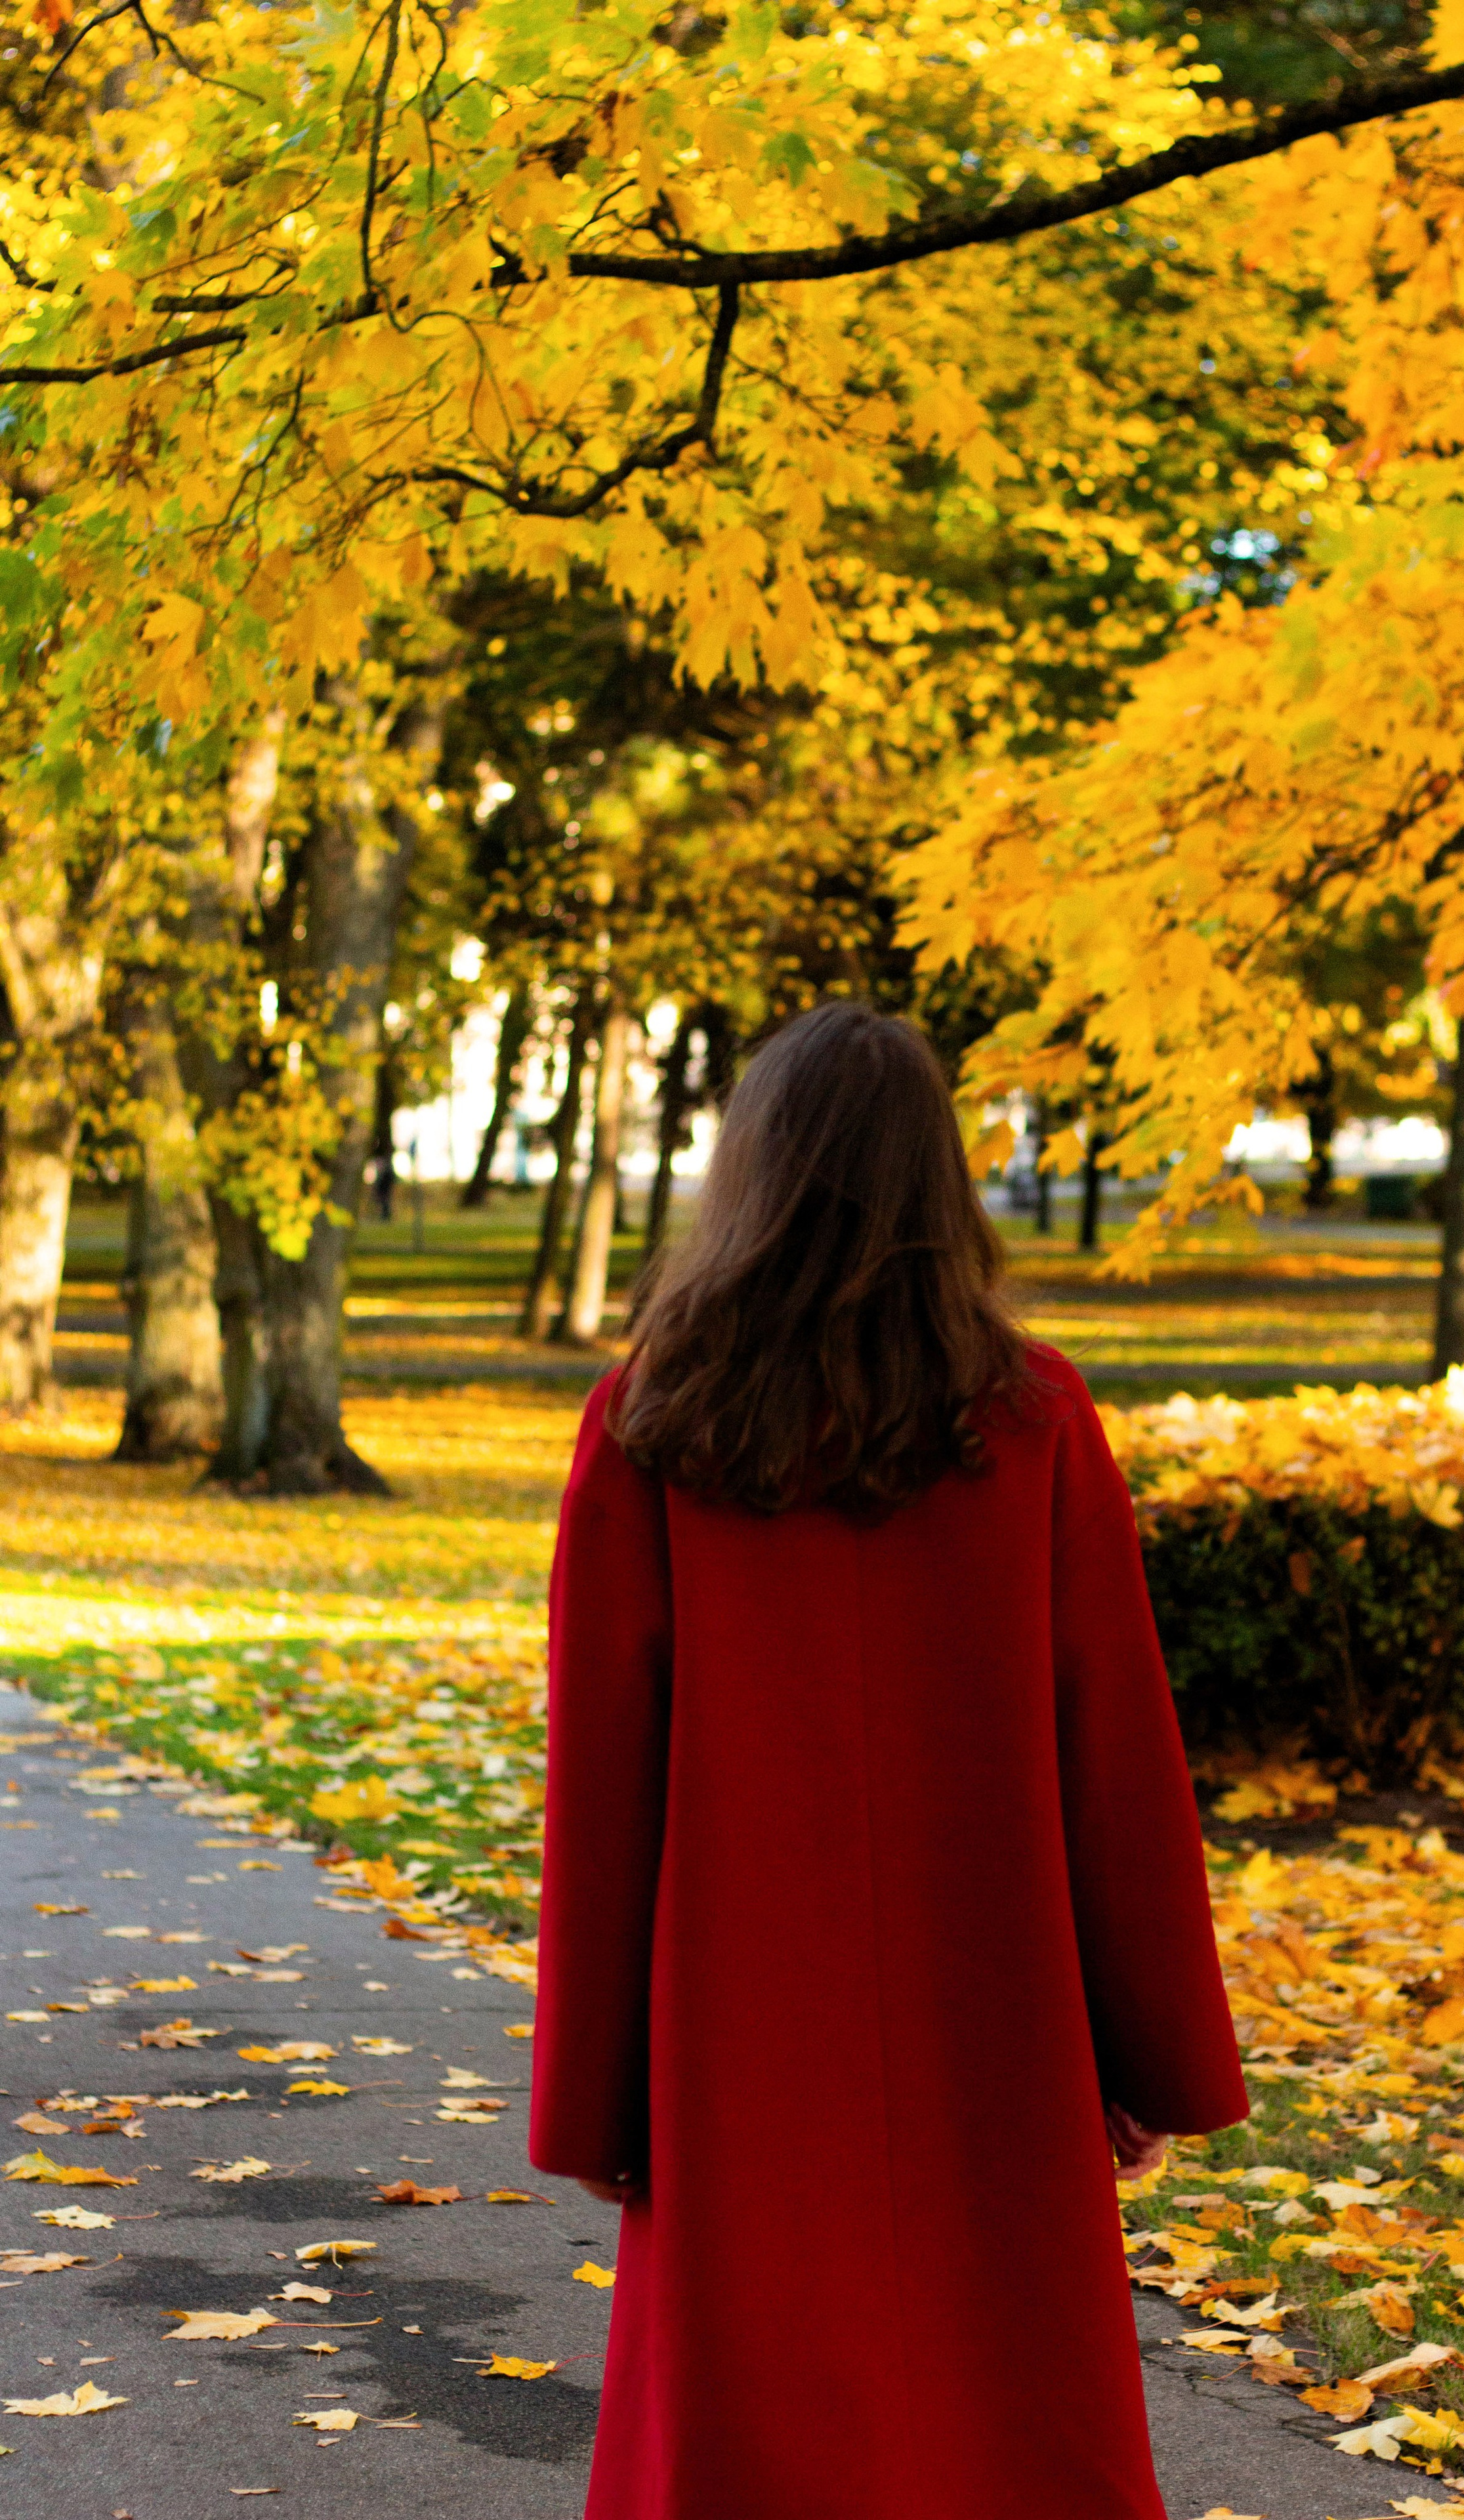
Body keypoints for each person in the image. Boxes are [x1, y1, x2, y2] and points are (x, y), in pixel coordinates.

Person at [530, 1001, 1247, 2520]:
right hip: (991, 2009)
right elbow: (1109, 1749)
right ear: (937, 1179)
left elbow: (604, 1789)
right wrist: (1149, 2056)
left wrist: (596, 2097)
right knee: (1003, 2413)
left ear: (751, 1173)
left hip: (736, 2031)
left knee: (744, 2423)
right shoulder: (1032, 1416)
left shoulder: (653, 1418)